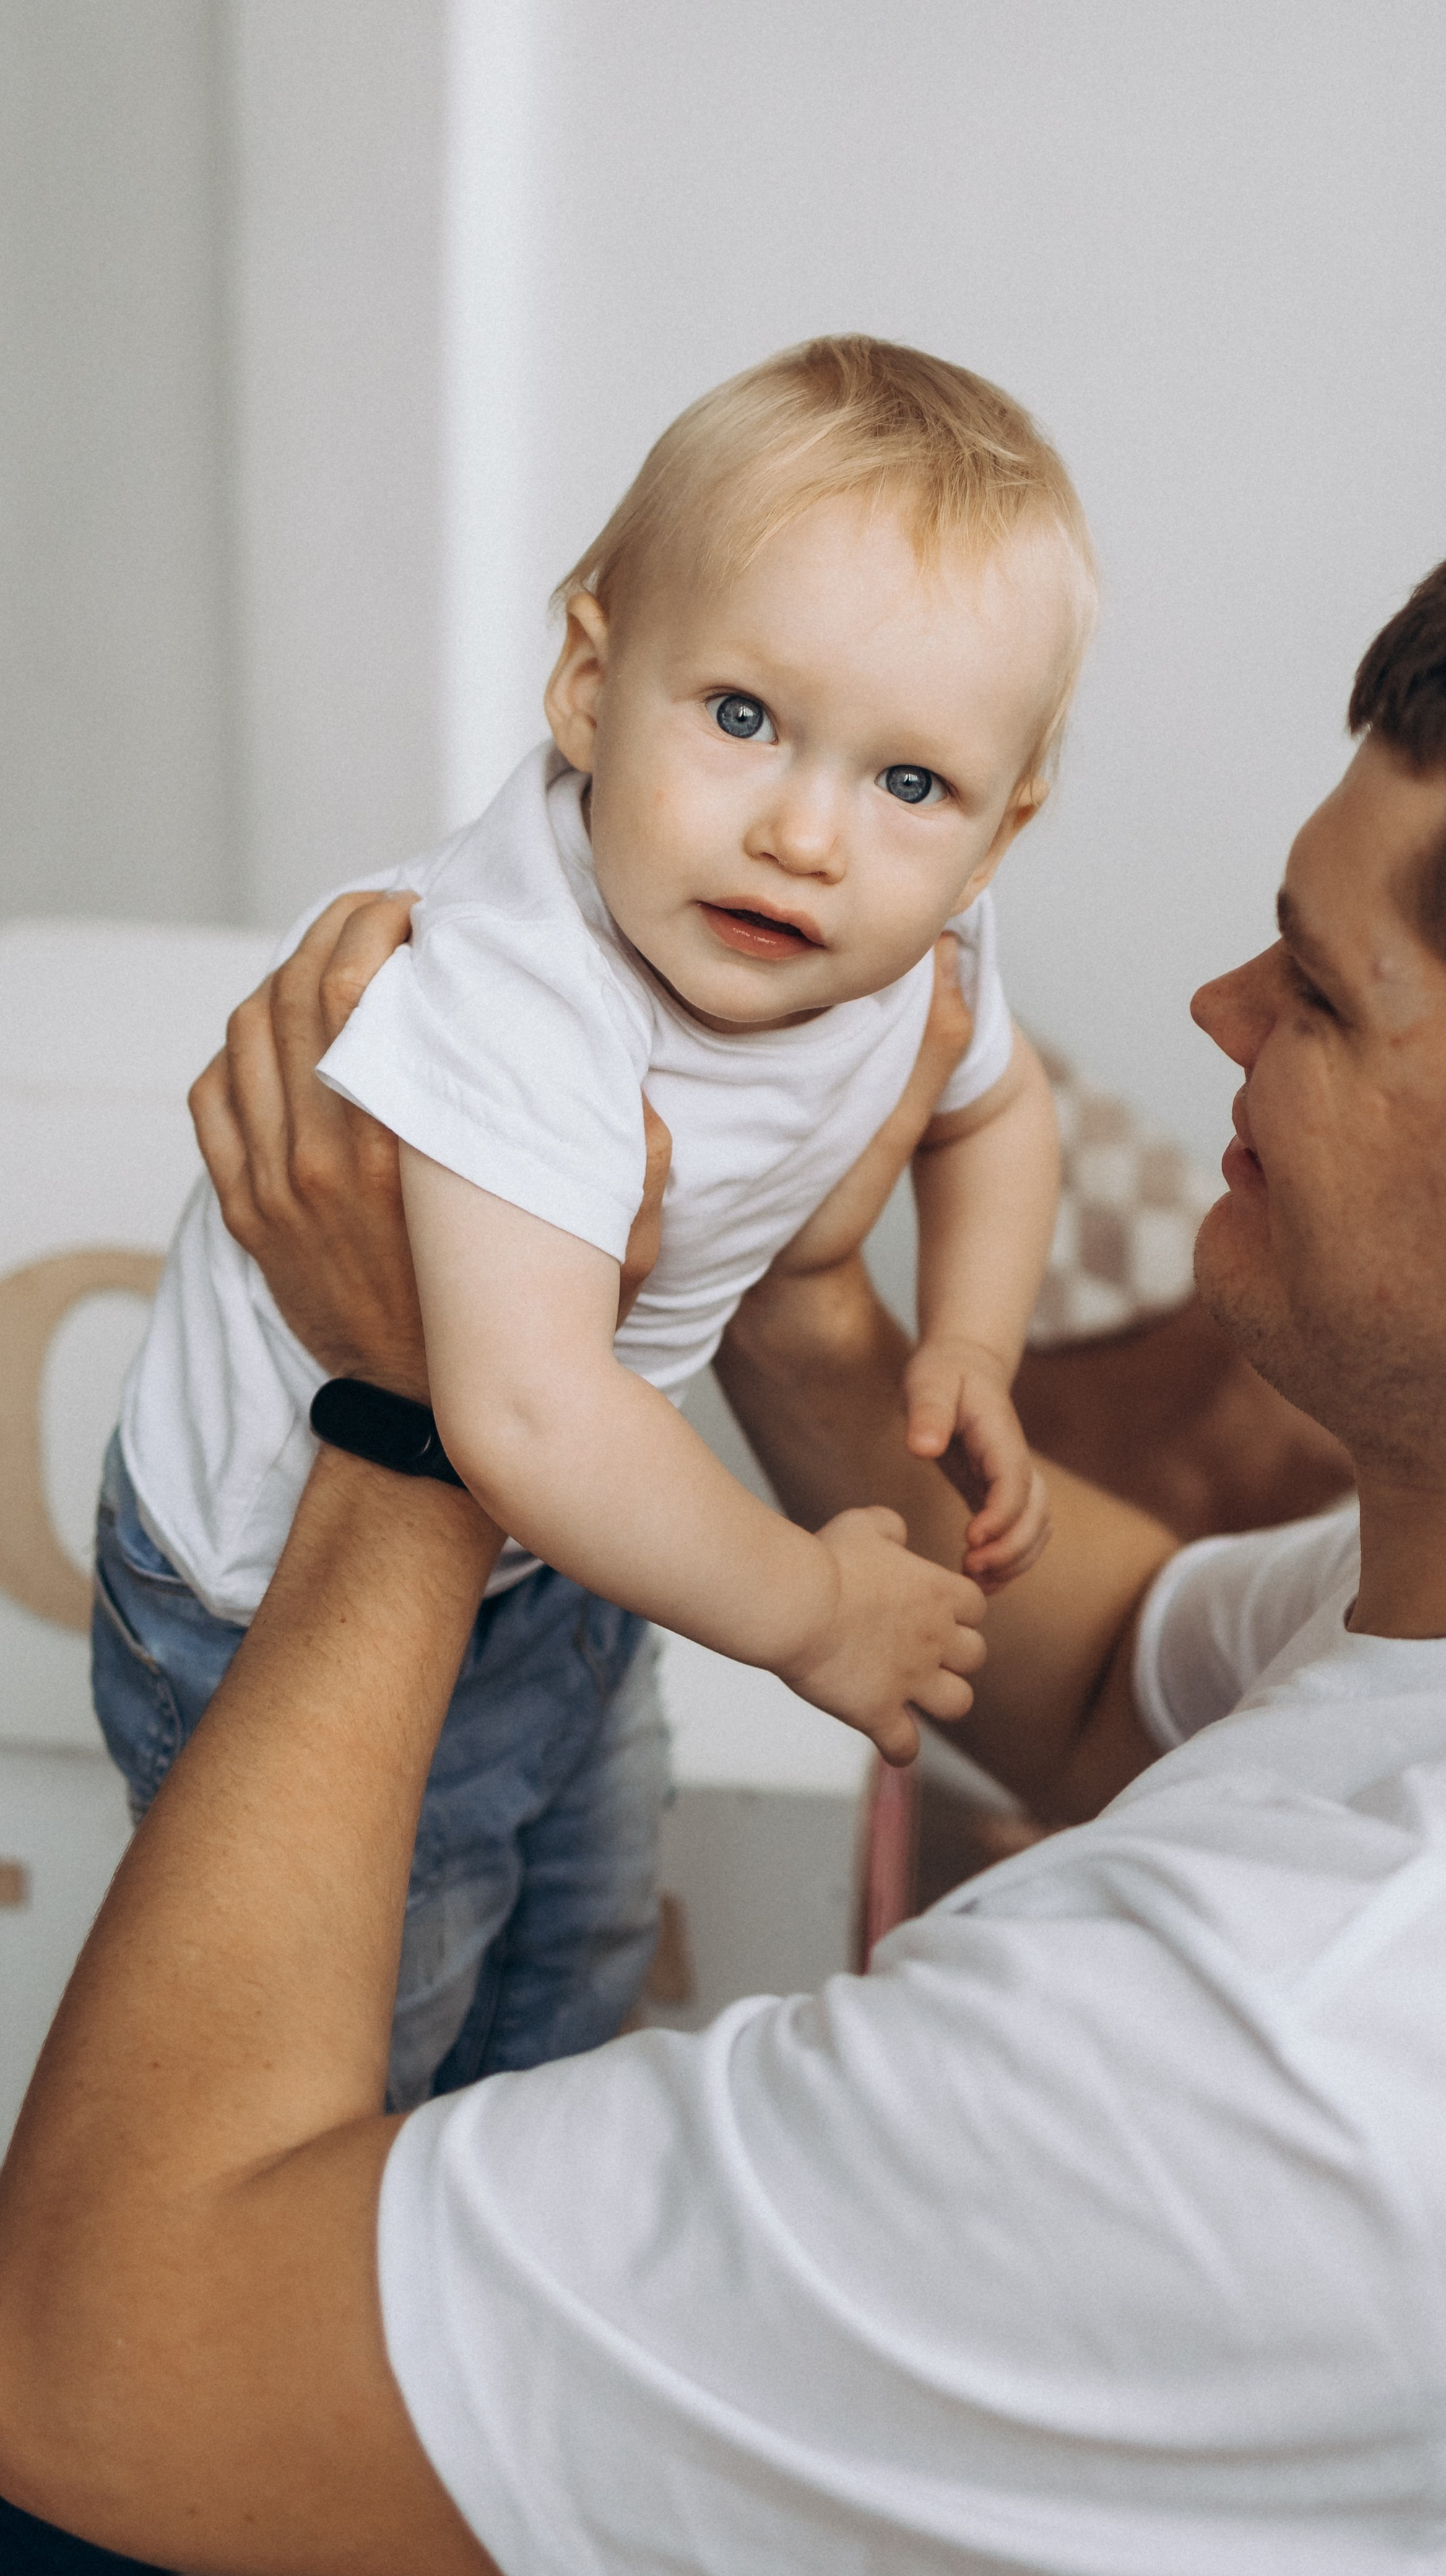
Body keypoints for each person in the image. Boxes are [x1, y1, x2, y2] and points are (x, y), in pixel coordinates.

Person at [4, 480, 1446, 2576]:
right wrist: (800, 1289)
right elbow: (1112, 1670)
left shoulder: (1280, 2078)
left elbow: (91, 2352)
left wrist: (409, 1418)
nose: (1216, 1005)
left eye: (1322, 990)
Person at [96, 334, 1083, 2108]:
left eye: (907, 784)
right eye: (742, 718)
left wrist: (971, 1340)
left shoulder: (917, 931)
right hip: (283, 1580)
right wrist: (809, 1610)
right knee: (360, 2066)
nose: (805, 834)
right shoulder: (516, 989)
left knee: (575, 1967)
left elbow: (996, 1110)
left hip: (564, 1553)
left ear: (995, 833)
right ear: (587, 683)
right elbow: (524, 1413)